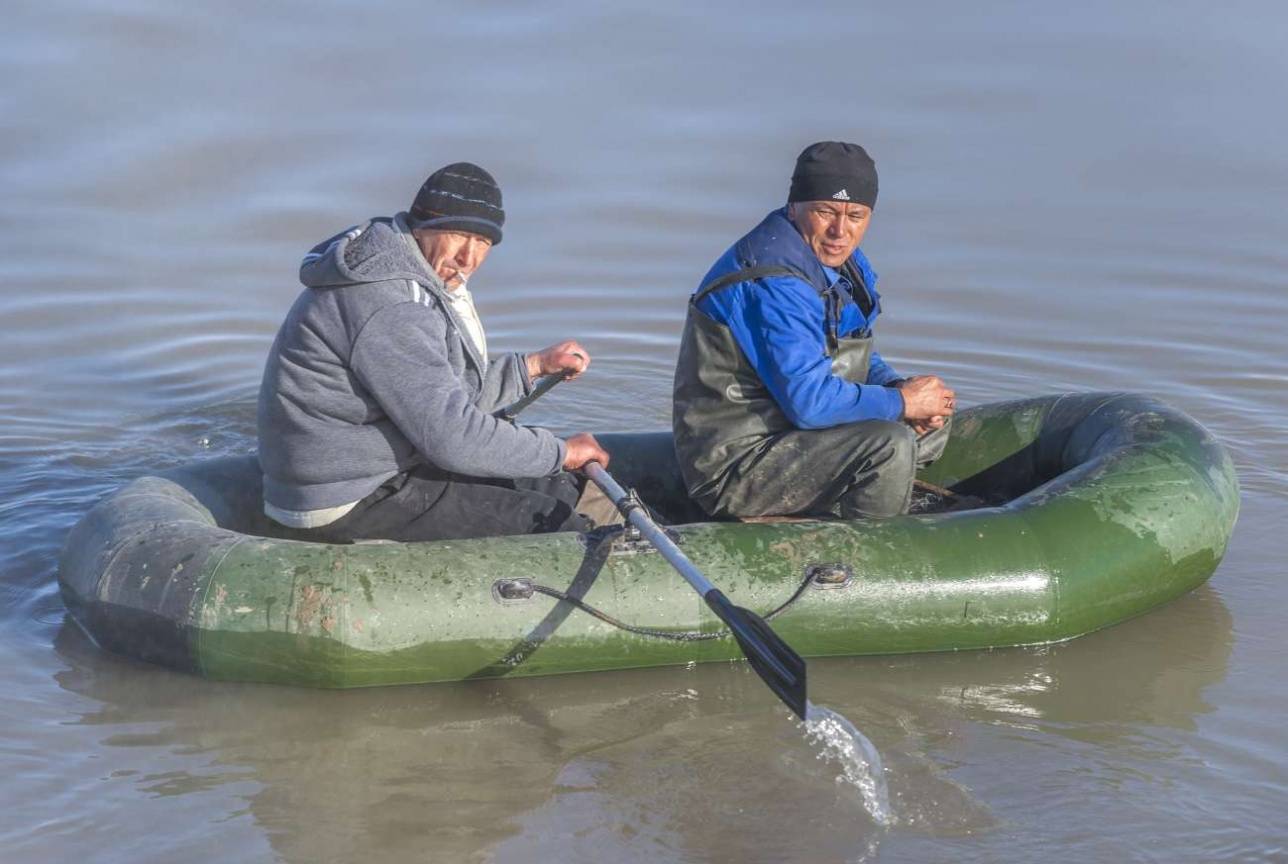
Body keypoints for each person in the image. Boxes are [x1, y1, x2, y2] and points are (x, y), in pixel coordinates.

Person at [257, 162, 612, 542]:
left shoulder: (402, 267)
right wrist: (561, 453)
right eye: (460, 236)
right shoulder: (391, 303)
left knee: (556, 485)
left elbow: (448, 396)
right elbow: (453, 438)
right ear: (426, 223)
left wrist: (533, 367)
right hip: (346, 496)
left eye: (484, 243)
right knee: (551, 521)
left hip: (380, 466)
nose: (469, 259)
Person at [672, 141, 957, 519]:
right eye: (825, 211)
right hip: (737, 463)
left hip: (789, 433)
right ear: (795, 206)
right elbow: (810, 404)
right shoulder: (775, 282)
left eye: (855, 215)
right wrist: (902, 402)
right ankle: (867, 554)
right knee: (890, 443)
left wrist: (899, 389)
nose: (840, 230)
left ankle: (855, 496)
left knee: (934, 419)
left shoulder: (841, 262)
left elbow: (853, 350)